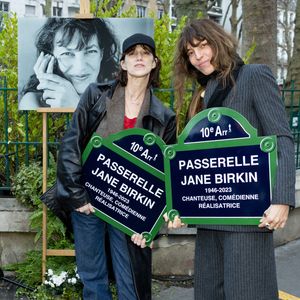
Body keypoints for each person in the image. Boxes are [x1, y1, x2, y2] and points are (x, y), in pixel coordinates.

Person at [173, 19, 295, 300]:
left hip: (248, 217)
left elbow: (280, 137)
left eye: (203, 47)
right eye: (191, 53)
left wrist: (282, 200)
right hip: (208, 217)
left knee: (248, 292)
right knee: (207, 294)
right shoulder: (202, 94)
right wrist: (179, 203)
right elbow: (195, 157)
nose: (198, 56)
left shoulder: (253, 76)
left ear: (220, 42)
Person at [53, 33, 176, 300]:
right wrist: (76, 195)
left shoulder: (165, 117)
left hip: (129, 207)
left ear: (155, 63)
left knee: (130, 277)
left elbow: (166, 175)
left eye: (145, 53)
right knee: (92, 276)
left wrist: (152, 222)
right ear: (122, 63)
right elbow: (71, 144)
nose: (139, 57)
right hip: (89, 201)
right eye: (133, 53)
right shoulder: (96, 96)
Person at [19, 18, 118, 109]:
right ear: (50, 58)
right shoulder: (33, 102)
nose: (80, 67)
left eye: (90, 51)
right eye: (67, 53)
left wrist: (76, 105)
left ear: (101, 54)